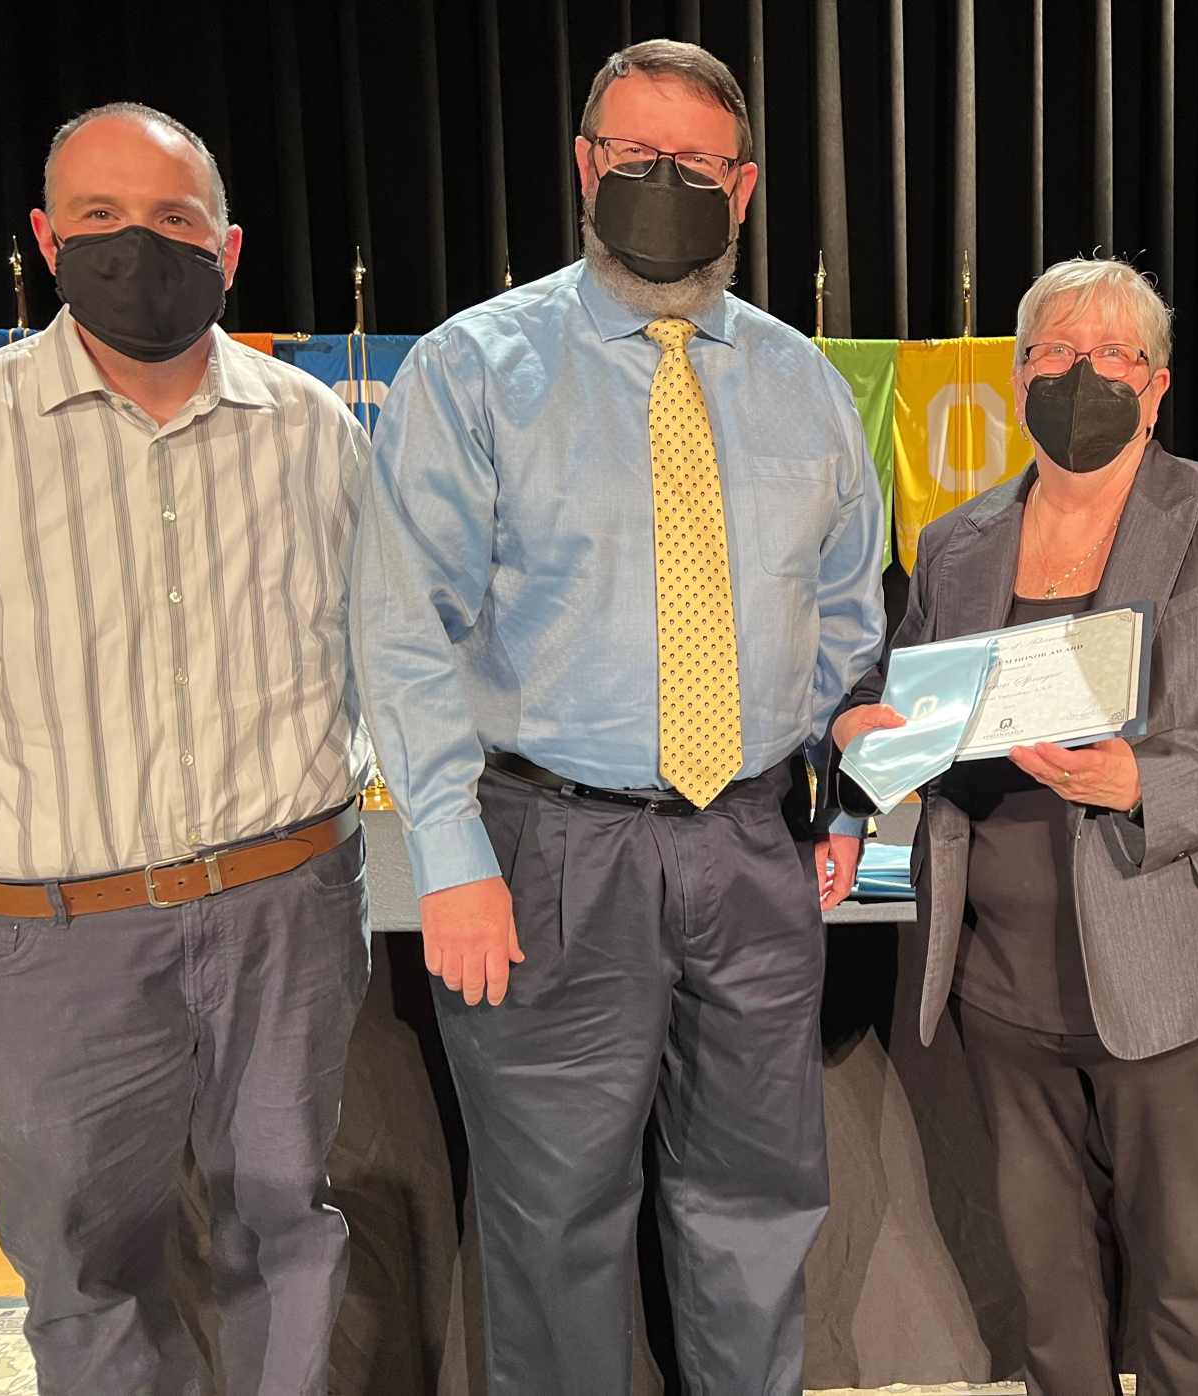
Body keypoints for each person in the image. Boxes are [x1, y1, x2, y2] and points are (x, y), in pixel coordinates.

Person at [351, 39, 885, 1396]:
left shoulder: (803, 387)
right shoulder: (475, 371)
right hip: (544, 848)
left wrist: (835, 787)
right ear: (586, 167)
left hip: (752, 849)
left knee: (758, 1203)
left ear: (746, 186)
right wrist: (451, 857)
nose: (666, 185)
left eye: (696, 167)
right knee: (553, 1223)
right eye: (637, 159)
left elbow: (843, 613)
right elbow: (401, 629)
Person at [833, 258, 1198, 1394]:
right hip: (999, 977)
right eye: (1055, 352)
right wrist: (871, 740)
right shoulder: (959, 542)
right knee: (1047, 1275)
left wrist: (1143, 781)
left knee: (1193, 1273)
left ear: (1156, 387)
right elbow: (914, 709)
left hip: (1180, 964)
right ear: (1018, 376)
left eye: (1110, 355)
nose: (1081, 373)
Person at [0, 104, 374, 1395]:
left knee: (285, 1234)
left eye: (175, 221)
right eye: (100, 220)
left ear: (228, 246)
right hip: (50, 937)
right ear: (43, 238)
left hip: (285, 913)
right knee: (83, 1272)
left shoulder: (318, 434)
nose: (141, 245)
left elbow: (382, 650)